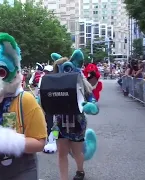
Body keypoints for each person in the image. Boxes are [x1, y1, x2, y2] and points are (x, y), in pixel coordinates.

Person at [0, 33, 47, 179]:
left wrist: (9, 142)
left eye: (1, 72)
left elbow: (40, 142)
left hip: (22, 167)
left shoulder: (26, 100)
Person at [47, 50, 98, 180]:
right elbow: (44, 99)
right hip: (58, 124)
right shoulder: (54, 85)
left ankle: (80, 170)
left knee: (77, 152)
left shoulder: (82, 84)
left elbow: (91, 101)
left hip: (77, 123)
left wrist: (90, 106)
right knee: (61, 153)